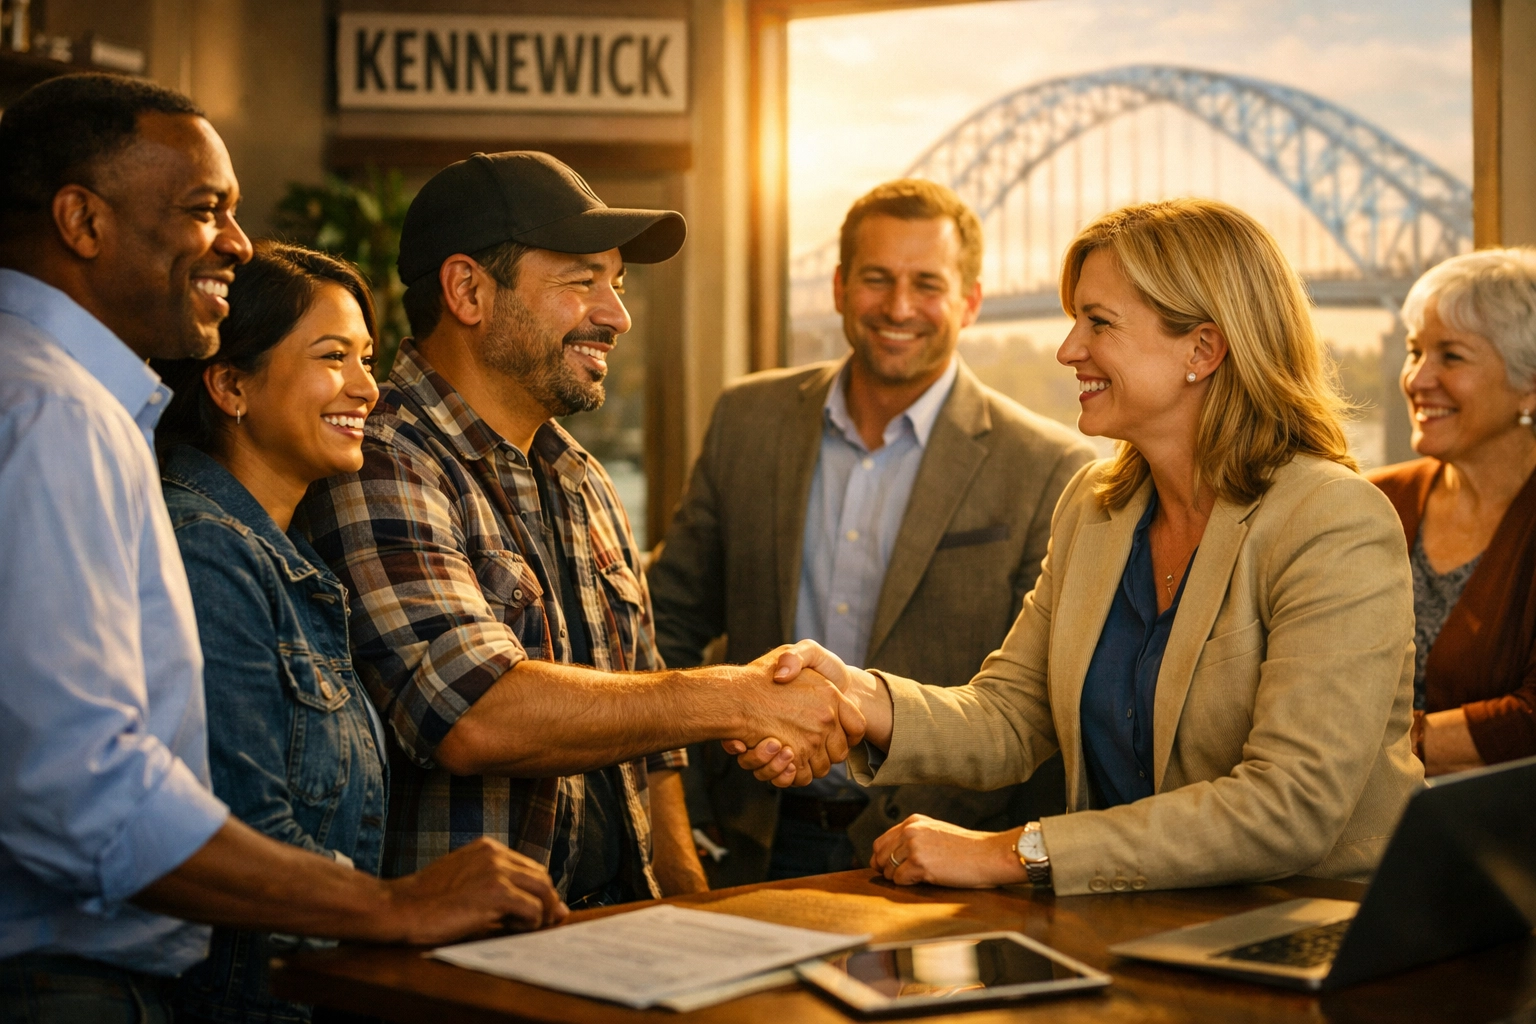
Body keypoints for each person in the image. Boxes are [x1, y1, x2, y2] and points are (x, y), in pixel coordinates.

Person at [0, 75, 561, 1023]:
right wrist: (389, 905)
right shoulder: (57, 412)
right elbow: (80, 791)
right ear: (82, 220)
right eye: (204, 209)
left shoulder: (70, 405)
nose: (236, 241)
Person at [739, 198, 1424, 896]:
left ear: (1202, 350)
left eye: (1099, 322)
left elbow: (1292, 805)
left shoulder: (1333, 521)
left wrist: (1014, 853)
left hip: (1317, 927)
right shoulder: (1096, 507)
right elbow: (1010, 716)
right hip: (1135, 924)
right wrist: (854, 693)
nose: (1068, 349)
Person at [298, 151, 865, 910]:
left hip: (621, 933)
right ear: (467, 290)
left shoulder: (582, 478)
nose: (617, 315)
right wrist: (737, 697)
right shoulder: (379, 460)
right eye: (581, 282)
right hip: (477, 957)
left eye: (617, 284)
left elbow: (651, 751)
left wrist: (685, 909)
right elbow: (473, 713)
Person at [650, 179, 1094, 883]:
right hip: (748, 840)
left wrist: (983, 854)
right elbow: (666, 622)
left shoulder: (1047, 466)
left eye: (927, 284)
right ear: (838, 287)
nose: (898, 307)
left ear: (970, 301)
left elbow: (1039, 707)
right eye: (877, 279)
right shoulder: (747, 420)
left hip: (937, 858)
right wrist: (683, 815)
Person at [150, 241, 417, 1023]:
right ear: (231, 385)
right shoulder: (208, 549)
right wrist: (408, 907)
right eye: (333, 356)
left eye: (367, 358)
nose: (366, 387)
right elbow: (239, 832)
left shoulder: (287, 555)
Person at [1370, 248, 1536, 776]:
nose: (1417, 379)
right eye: (1415, 351)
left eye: (1451, 357)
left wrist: (1357, 751)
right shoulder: (1371, 501)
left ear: (1529, 386)